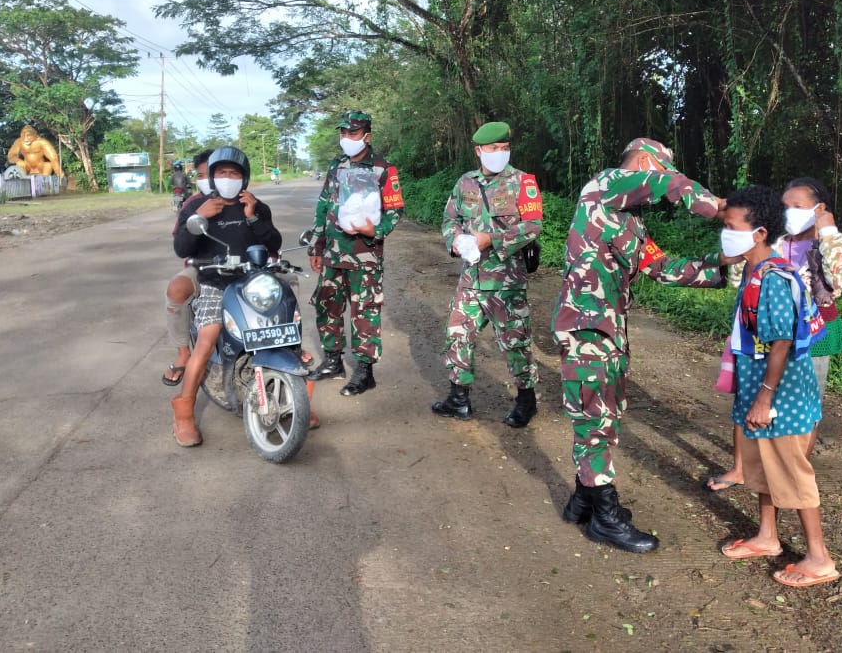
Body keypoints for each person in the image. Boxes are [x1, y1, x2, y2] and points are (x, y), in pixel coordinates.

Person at [553, 138, 730, 553]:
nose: (665, 179)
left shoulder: (630, 221)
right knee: (596, 421)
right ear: (648, 162)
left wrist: (720, 266)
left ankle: (584, 500)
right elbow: (667, 186)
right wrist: (720, 207)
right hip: (586, 328)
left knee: (606, 415)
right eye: (663, 170)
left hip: (609, 330)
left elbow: (661, 266)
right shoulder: (604, 186)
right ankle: (604, 517)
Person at [717, 186, 839, 588]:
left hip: (780, 395)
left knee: (791, 471)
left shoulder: (772, 277)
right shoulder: (755, 270)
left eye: (732, 227)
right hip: (763, 390)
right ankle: (767, 536)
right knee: (765, 467)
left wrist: (764, 397)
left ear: (759, 233)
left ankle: (819, 557)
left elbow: (783, 341)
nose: (725, 234)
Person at [706, 177, 842, 492]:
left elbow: (841, 279)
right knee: (748, 395)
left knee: (804, 408)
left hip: (813, 334)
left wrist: (828, 231)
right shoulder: (772, 240)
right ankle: (741, 468)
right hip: (762, 330)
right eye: (784, 206)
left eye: (798, 206)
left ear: (819, 209)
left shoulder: (830, 244)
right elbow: (739, 277)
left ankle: (793, 473)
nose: (789, 212)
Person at [431, 121, 543, 426]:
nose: (500, 153)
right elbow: (449, 219)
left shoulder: (522, 182)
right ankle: (458, 399)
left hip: (506, 281)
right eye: (494, 148)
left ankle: (526, 401)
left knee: (515, 341)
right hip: (471, 278)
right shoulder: (465, 183)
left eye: (505, 148)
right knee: (457, 334)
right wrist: (455, 240)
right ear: (479, 151)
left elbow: (533, 225)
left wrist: (491, 240)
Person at [170, 146, 282, 447]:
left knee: (281, 329)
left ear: (244, 178)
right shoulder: (197, 206)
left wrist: (252, 218)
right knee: (207, 339)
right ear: (213, 176)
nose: (228, 178)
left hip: (253, 283)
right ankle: (184, 412)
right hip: (215, 284)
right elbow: (182, 249)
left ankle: (292, 394)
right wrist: (200, 217)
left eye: (234, 173)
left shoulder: (255, 206)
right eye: (222, 172)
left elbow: (274, 242)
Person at [305, 110, 404, 396]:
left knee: (364, 311)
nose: (347, 137)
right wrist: (316, 245)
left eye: (353, 133)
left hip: (365, 255)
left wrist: (376, 231)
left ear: (367, 136)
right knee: (328, 306)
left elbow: (395, 210)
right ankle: (333, 360)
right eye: (344, 132)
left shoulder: (383, 169)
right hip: (333, 253)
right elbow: (323, 205)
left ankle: (364, 371)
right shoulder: (336, 165)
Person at [162, 149, 213, 387]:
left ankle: (289, 346)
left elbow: (268, 240)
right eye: (202, 175)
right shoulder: (192, 204)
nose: (208, 179)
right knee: (176, 289)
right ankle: (183, 353)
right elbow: (180, 245)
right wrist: (200, 216)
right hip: (203, 267)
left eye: (213, 173)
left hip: (244, 268)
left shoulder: (246, 201)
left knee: (284, 284)